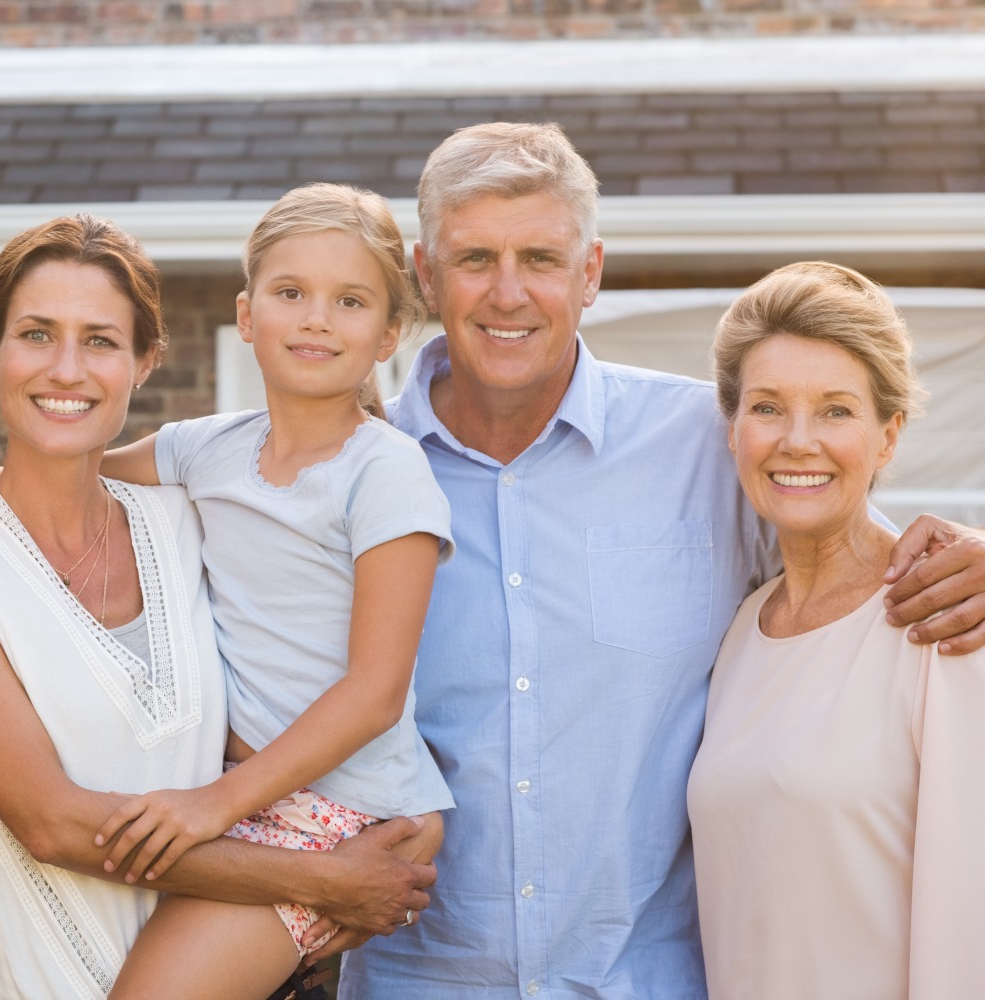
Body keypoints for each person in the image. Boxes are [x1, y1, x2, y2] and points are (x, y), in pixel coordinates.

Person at [338, 122, 985, 1000]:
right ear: (424, 273)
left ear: (591, 270)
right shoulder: (352, 472)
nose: (508, 291)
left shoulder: (705, 446)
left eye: (540, 257)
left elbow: (857, 547)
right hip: (417, 982)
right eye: (475, 259)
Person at [0, 184, 454, 998]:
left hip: (340, 810)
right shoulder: (208, 460)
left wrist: (223, 809)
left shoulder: (219, 512)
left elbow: (376, 692)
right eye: (37, 334)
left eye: (99, 340)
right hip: (200, 871)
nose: (67, 368)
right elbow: (49, 821)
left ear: (144, 360)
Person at [687, 262, 985, 998]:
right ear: (732, 432)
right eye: (766, 407)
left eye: (835, 411)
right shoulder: (739, 636)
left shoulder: (943, 621)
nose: (797, 440)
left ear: (888, 437)